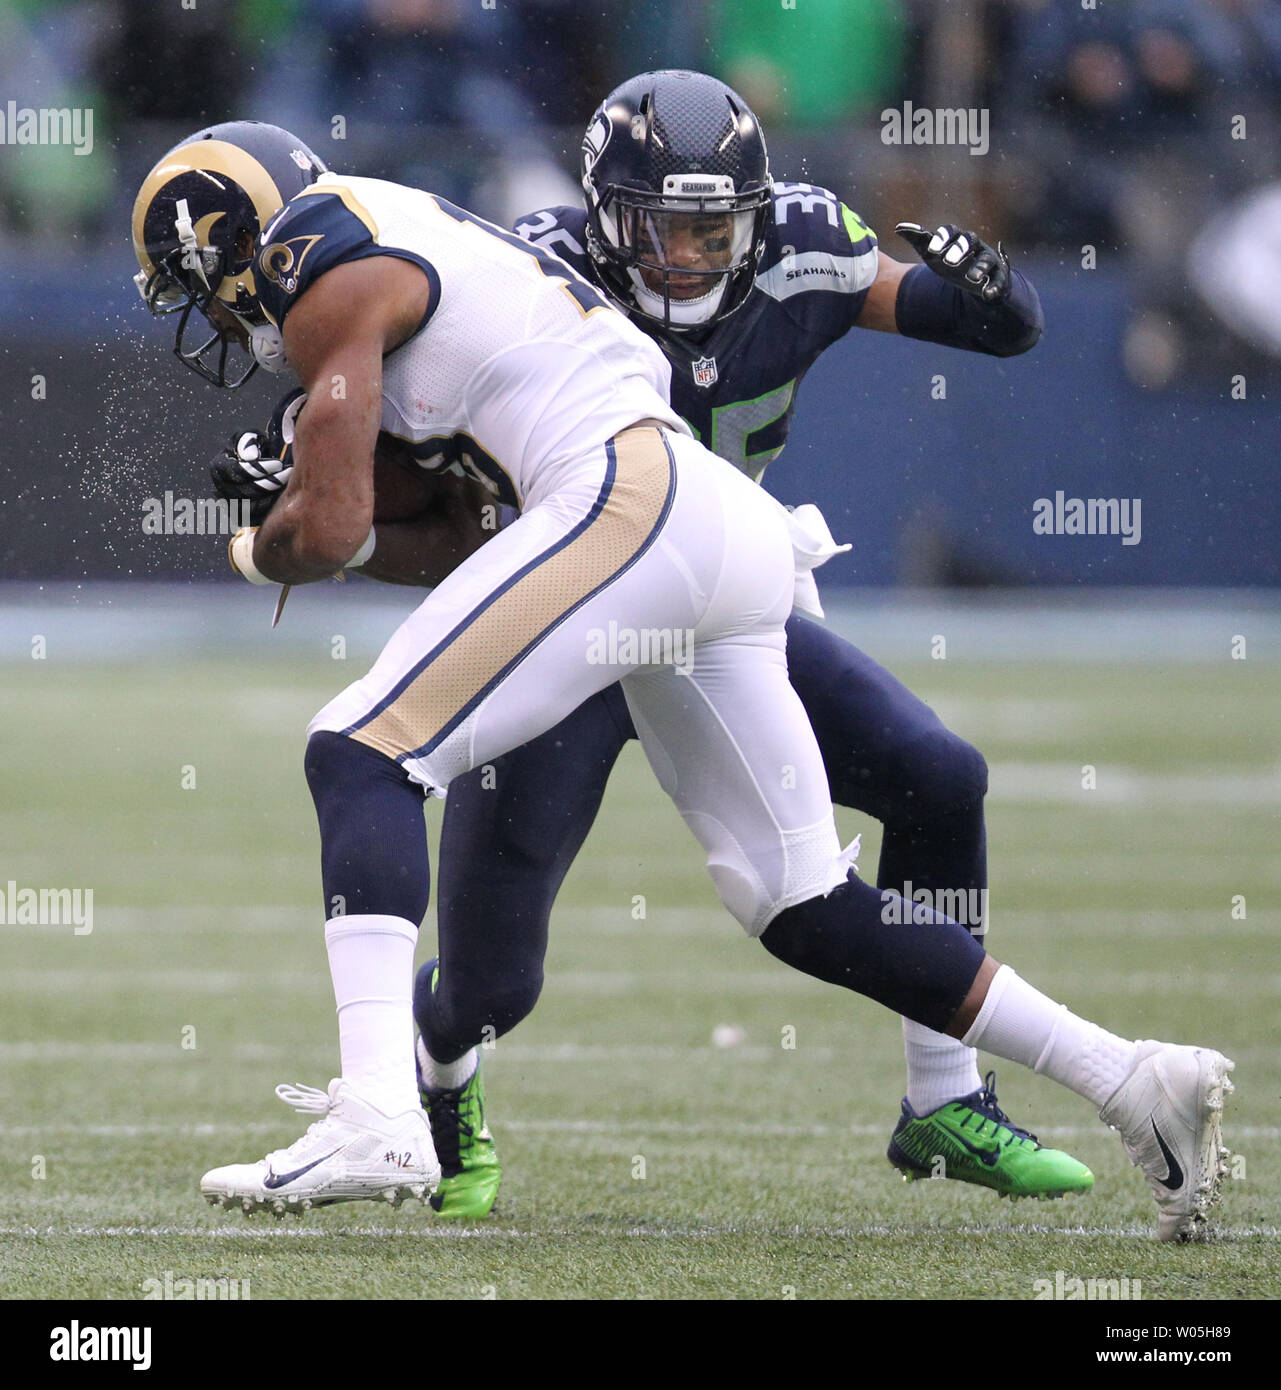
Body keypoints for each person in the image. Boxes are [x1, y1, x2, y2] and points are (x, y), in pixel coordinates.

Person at [132, 118, 1234, 1242]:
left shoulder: (317, 251)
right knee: (802, 900)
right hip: (710, 527)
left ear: (230, 236)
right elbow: (461, 536)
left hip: (629, 500)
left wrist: (256, 540)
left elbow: (328, 531)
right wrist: (337, 506)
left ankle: (377, 1109)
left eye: (194, 280)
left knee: (361, 750)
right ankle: (1133, 1076)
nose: (212, 313)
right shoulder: (403, 243)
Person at [414, 70, 1080, 1220]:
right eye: (660, 228)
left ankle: (944, 1097)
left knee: (938, 778)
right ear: (599, 213)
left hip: (722, 610)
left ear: (756, 214)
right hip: (564, 623)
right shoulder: (534, 275)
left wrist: (1001, 301)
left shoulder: (804, 249)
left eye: (713, 226)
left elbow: (971, 324)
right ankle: (439, 1083)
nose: (686, 253)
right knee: (488, 982)